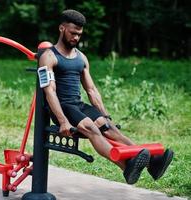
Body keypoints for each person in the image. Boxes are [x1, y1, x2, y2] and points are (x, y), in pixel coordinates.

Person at [38, 9, 174, 184]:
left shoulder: (81, 58)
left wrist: (105, 114)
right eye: (73, 33)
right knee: (92, 128)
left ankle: (152, 164)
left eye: (79, 34)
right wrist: (63, 120)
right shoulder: (49, 56)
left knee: (108, 127)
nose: (76, 38)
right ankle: (126, 167)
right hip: (62, 107)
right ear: (62, 28)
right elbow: (50, 91)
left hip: (78, 105)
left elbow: (92, 90)